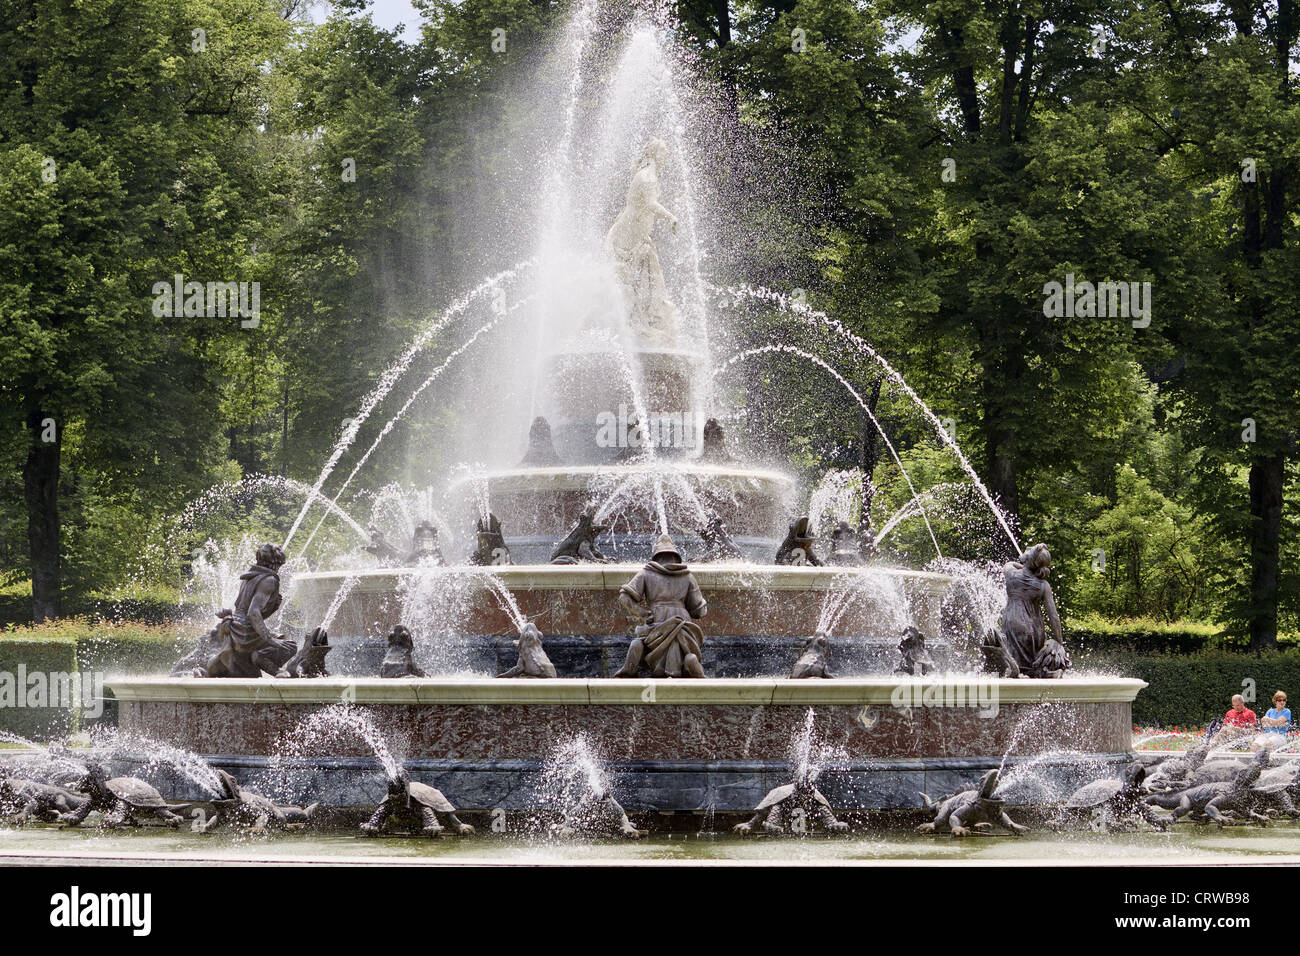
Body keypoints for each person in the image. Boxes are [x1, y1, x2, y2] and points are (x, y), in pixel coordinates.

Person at [614, 533, 706, 678]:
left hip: (656, 619)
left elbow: (624, 597)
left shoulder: (646, 573)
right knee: (680, 641)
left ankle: (630, 670)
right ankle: (682, 668)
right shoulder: (687, 576)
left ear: (656, 555)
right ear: (676, 556)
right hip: (682, 621)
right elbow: (699, 611)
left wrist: (642, 613)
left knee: (639, 643)